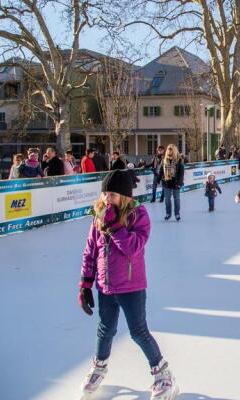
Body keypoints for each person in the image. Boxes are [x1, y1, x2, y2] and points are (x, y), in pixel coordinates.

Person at [78, 169, 178, 399]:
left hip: (131, 286)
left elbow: (133, 248)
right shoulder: (99, 216)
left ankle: (163, 374)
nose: (106, 199)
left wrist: (114, 226)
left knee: (138, 331)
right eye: (104, 194)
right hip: (105, 285)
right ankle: (98, 368)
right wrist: (85, 283)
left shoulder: (138, 215)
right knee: (105, 330)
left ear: (124, 196)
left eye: (112, 194)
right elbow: (90, 251)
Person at [158, 144, 184, 221]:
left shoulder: (179, 160)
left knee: (176, 199)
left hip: (176, 182)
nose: (169, 151)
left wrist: (179, 183)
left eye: (171, 149)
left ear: (174, 150)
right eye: (168, 149)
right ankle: (168, 213)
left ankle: (177, 214)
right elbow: (161, 171)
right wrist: (158, 179)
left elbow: (181, 173)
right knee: (167, 200)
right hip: (167, 182)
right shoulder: (164, 160)